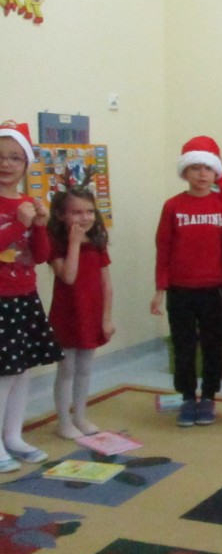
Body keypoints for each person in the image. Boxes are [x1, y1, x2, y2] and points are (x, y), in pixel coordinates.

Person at [150, 136, 222, 428]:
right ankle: (188, 397)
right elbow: (163, 248)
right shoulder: (173, 206)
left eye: (208, 168)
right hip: (180, 291)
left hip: (213, 289)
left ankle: (209, 397)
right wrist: (160, 289)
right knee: (184, 346)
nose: (202, 174)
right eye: (195, 168)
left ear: (216, 172)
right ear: (185, 171)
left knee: (214, 346)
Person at [0, 121, 63, 471]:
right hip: (1, 299)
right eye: (0, 157)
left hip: (23, 295)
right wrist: (19, 224)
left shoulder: (26, 202)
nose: (6, 164)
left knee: (21, 370)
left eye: (15, 157)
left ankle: (13, 436)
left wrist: (39, 225)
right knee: (4, 374)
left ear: (25, 164)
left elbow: (40, 255)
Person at [47, 177, 114, 439]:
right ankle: (64, 422)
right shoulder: (56, 243)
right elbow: (68, 276)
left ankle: (80, 417)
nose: (84, 218)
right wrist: (74, 243)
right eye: (76, 212)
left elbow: (107, 284)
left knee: (85, 368)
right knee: (66, 370)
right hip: (68, 315)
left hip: (92, 314)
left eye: (89, 211)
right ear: (61, 215)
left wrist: (106, 319)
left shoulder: (97, 241)